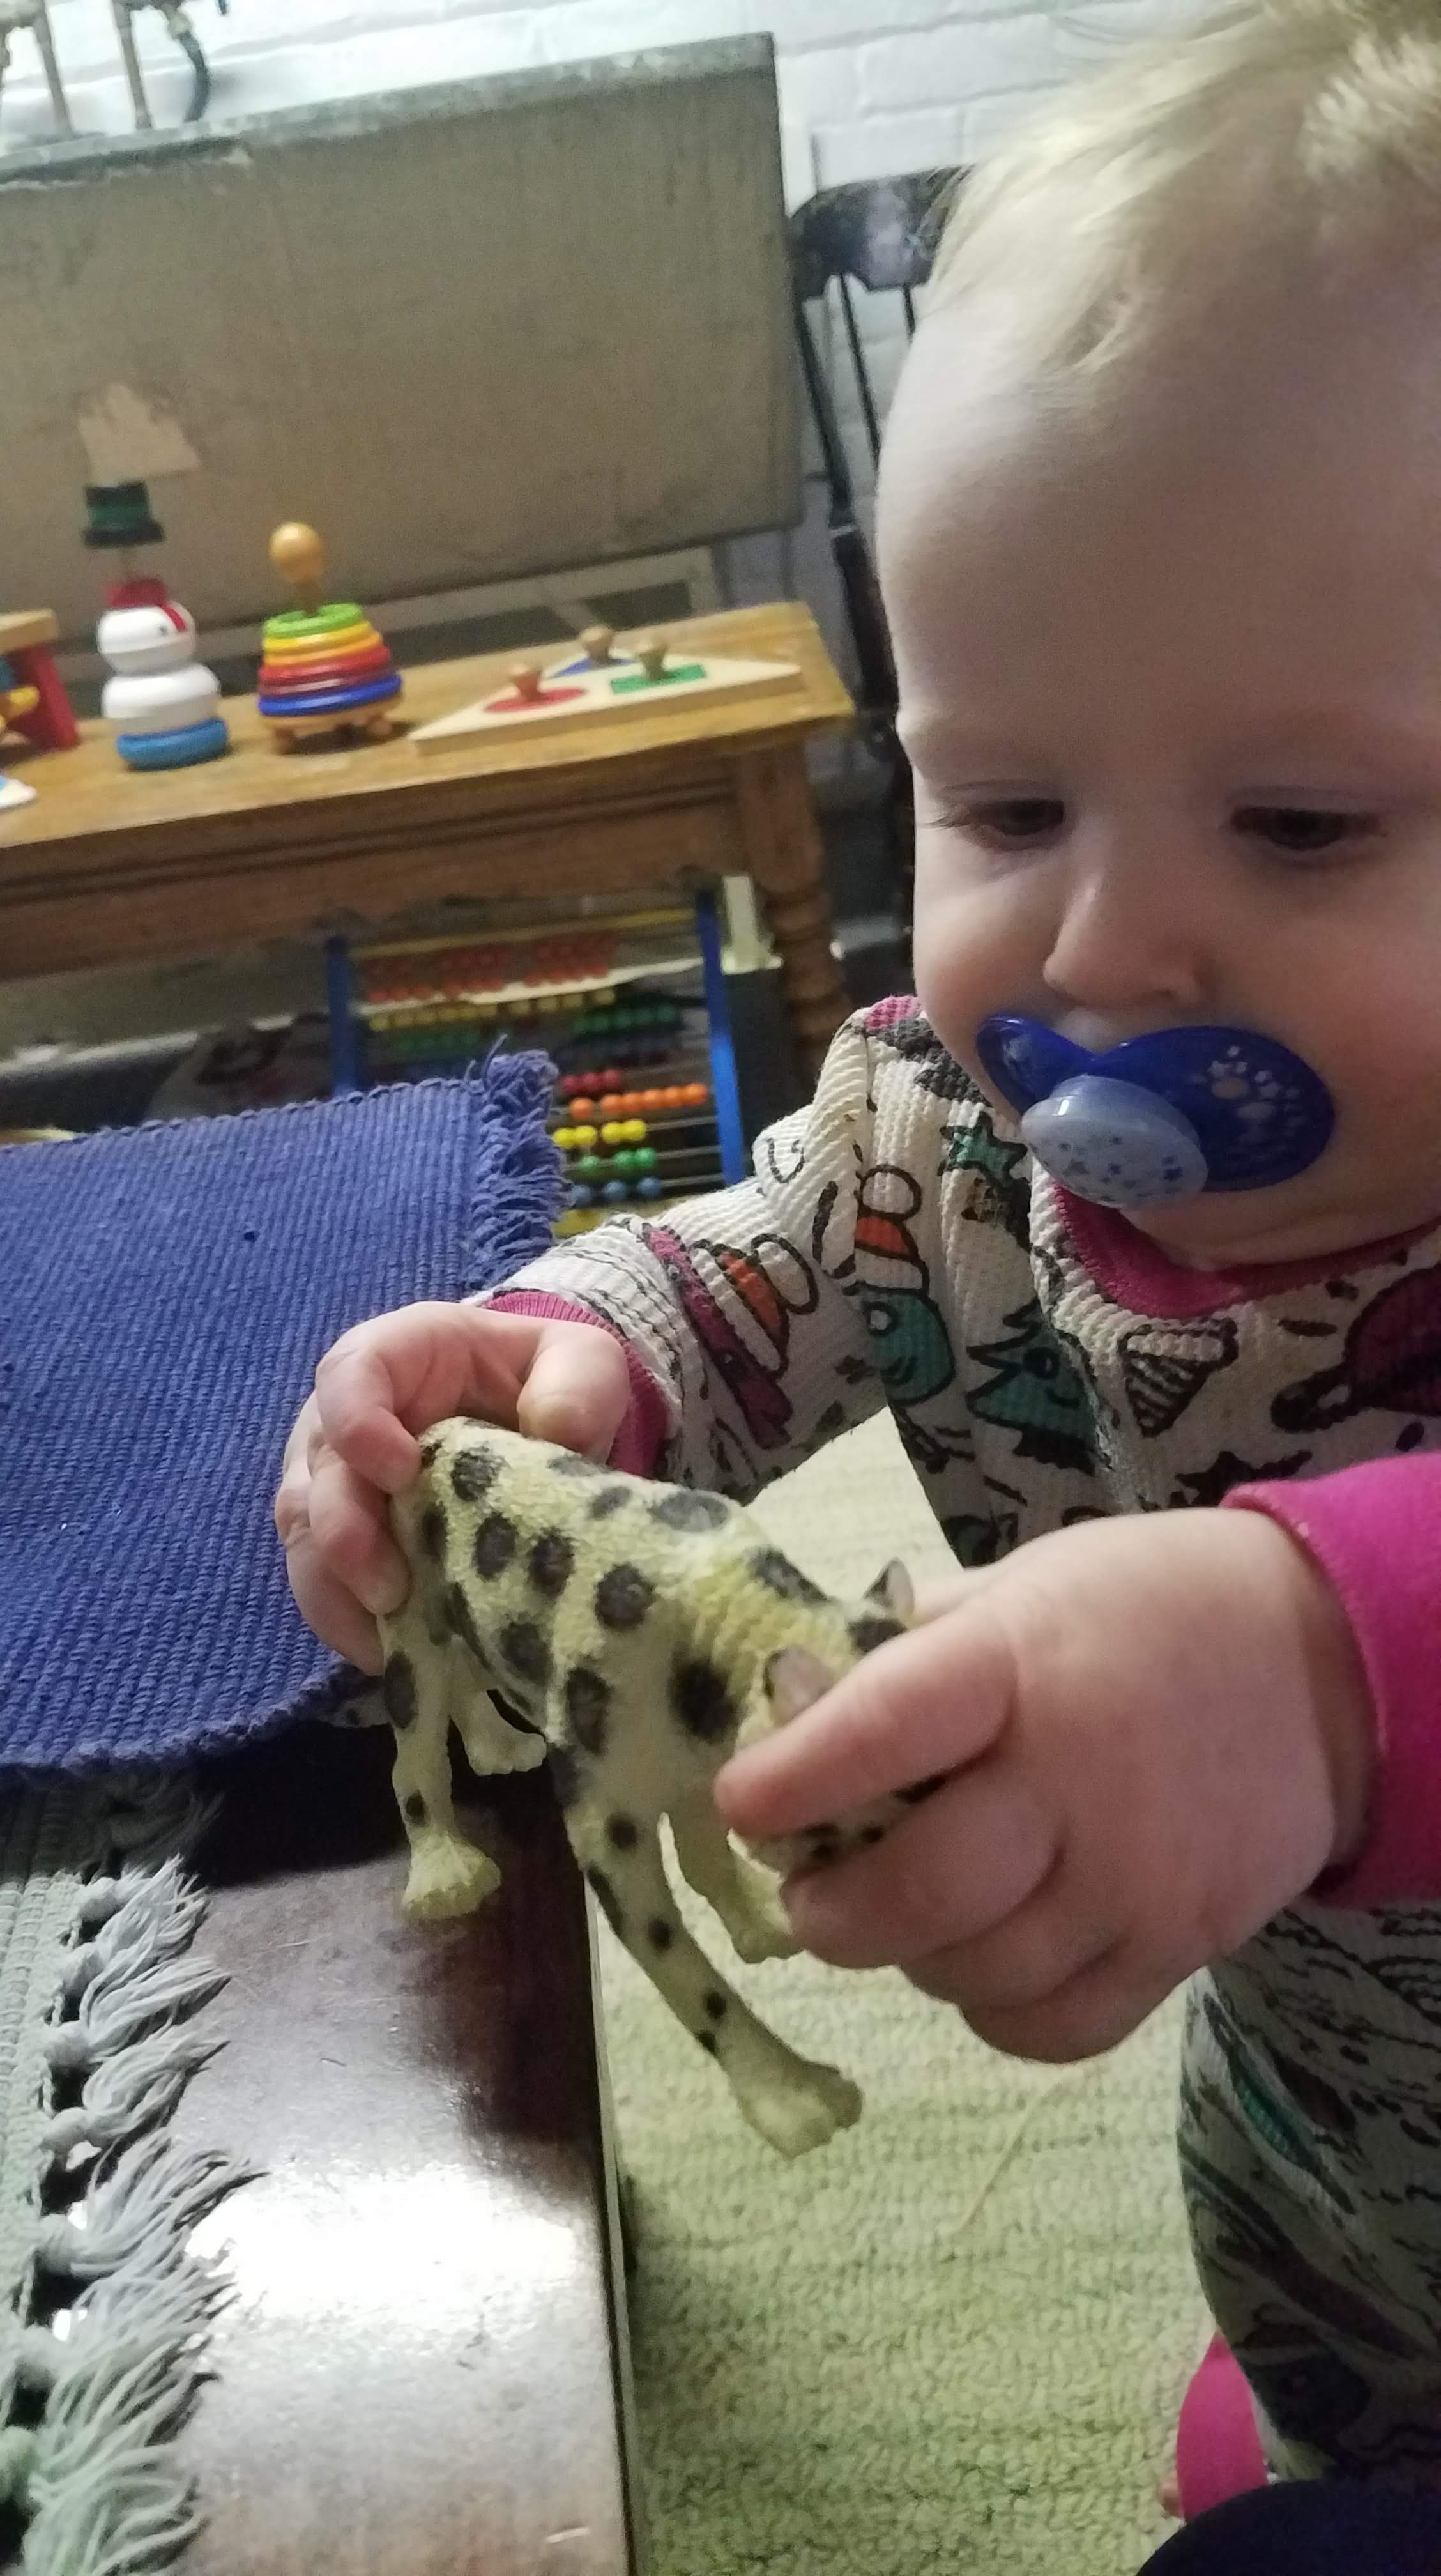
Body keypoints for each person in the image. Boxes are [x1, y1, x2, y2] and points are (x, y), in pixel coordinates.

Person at [277, 0, 1441, 2544]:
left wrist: (1326, 1658)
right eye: (1006, 804)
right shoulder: (957, 1138)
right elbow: (759, 1265)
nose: (1107, 948)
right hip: (1339, 2168)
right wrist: (557, 1364)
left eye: (1302, 824)